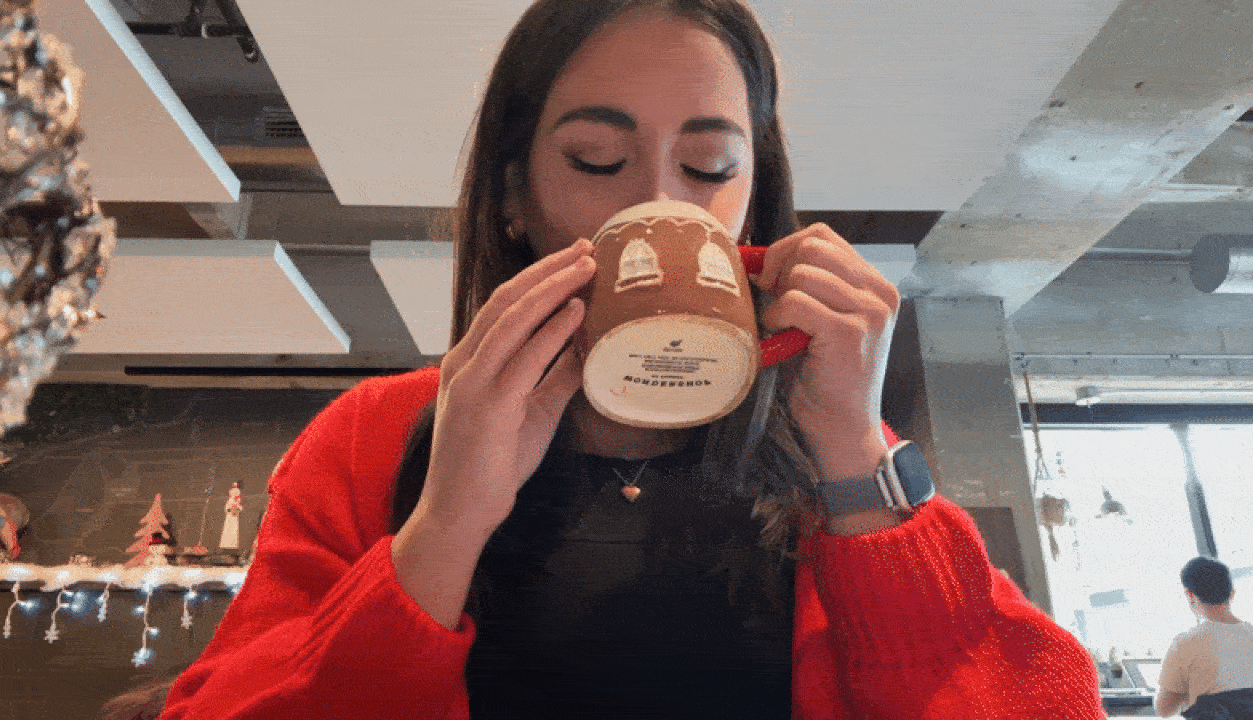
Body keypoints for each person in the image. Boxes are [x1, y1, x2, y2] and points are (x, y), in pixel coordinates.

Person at [155, 2, 1103, 718]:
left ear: (755, 208)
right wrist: (445, 525)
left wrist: (855, 453)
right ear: (512, 200)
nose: (660, 204)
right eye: (598, 160)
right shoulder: (377, 437)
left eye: (710, 168)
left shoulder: (833, 449)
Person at [1155, 557, 1253, 719]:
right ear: (1231, 592)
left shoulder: (1186, 642)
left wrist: (1186, 694)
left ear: (1191, 595)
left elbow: (1164, 709)